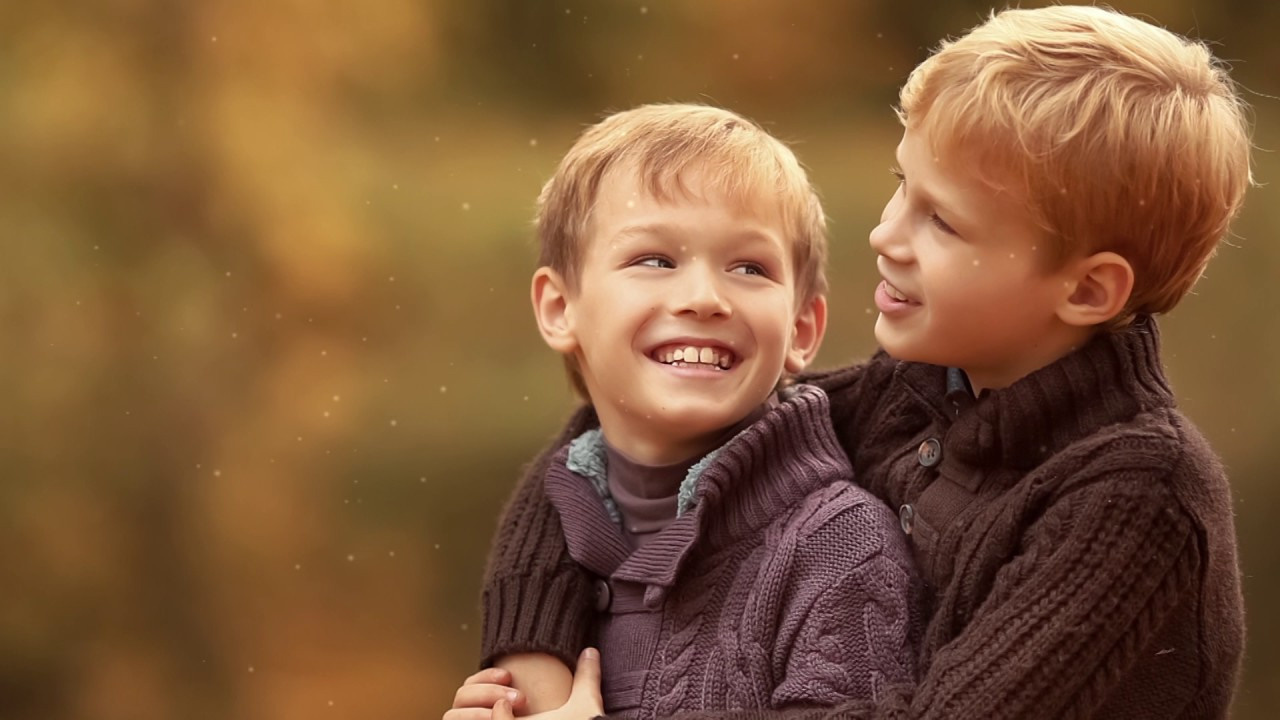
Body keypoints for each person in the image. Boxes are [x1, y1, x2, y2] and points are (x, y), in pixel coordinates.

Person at [459, 6, 1253, 719]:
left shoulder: (1138, 499)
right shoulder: (911, 398)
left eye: (940, 221)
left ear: (1086, 289)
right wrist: (538, 684)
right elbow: (608, 450)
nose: (885, 235)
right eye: (901, 186)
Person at [450, 103, 922, 720]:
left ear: (802, 328)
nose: (703, 298)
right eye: (655, 261)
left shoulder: (839, 549)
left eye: (749, 268)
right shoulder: (555, 537)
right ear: (560, 308)